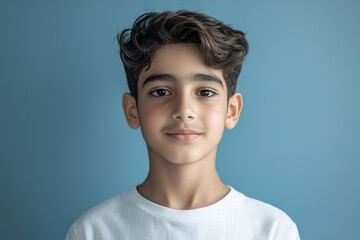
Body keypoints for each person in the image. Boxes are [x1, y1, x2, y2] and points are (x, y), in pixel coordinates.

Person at [66, 10, 300, 240]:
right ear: (132, 110)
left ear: (232, 111)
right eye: (161, 91)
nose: (183, 110)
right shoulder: (93, 232)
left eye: (205, 92)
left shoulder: (272, 231)